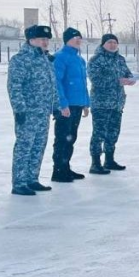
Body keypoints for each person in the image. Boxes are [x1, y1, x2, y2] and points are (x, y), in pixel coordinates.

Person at [8, 25, 57, 196]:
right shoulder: (20, 60)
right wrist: (19, 109)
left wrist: (55, 106)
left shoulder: (46, 60)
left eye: (47, 39)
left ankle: (32, 179)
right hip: (28, 113)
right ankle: (19, 182)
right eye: (42, 39)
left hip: (44, 112)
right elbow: (14, 86)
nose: (45, 42)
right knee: (24, 146)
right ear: (31, 40)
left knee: (39, 145)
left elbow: (53, 86)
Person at [87, 33, 136, 174]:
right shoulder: (96, 60)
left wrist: (130, 79)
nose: (113, 45)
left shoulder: (120, 59)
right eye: (109, 42)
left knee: (113, 133)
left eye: (115, 42)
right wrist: (117, 81)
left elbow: (127, 73)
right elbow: (96, 80)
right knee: (99, 134)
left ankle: (109, 160)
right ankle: (95, 163)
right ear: (103, 44)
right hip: (101, 103)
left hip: (117, 103)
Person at [52, 27, 90, 182]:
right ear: (67, 40)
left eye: (80, 38)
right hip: (66, 105)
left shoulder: (80, 60)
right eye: (75, 38)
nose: (78, 40)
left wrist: (86, 103)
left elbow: (83, 83)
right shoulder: (60, 57)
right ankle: (59, 171)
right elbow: (57, 82)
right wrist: (62, 104)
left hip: (77, 104)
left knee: (71, 138)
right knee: (62, 138)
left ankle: (66, 167)